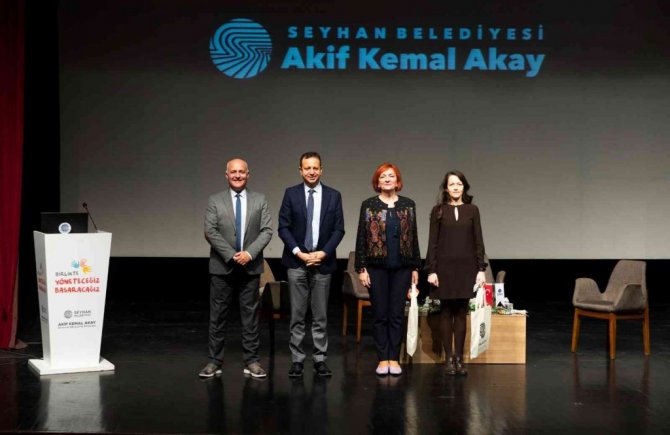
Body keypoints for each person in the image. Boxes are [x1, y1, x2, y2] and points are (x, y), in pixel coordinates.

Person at [199, 158, 273, 379]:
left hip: (251, 267)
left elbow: (267, 230)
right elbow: (210, 231)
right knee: (217, 316)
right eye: (234, 172)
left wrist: (249, 254)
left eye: (242, 172)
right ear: (226, 175)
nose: (238, 175)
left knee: (250, 317)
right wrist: (232, 255)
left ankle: (251, 361)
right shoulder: (215, 200)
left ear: (248, 174)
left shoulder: (260, 200)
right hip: (222, 267)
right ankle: (214, 361)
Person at [278, 152, 345, 377]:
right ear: (300, 170)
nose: (312, 172)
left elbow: (339, 229)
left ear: (321, 170)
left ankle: (319, 359)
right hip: (296, 262)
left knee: (320, 316)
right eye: (307, 168)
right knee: (297, 315)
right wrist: (299, 253)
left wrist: (323, 253)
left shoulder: (334, 196)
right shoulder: (291, 194)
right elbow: (283, 227)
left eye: (315, 168)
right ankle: (297, 360)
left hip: (322, 263)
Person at [355, 163, 421, 376]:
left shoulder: (408, 205)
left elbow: (413, 237)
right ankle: (383, 358)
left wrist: (415, 267)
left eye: (391, 176)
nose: (387, 179)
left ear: (397, 180)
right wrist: (361, 268)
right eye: (383, 176)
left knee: (396, 315)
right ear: (377, 181)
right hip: (376, 268)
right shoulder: (369, 205)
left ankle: (394, 357)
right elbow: (362, 237)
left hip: (402, 268)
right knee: (380, 315)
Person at [425, 170, 487, 376]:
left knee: (461, 312)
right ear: (446, 188)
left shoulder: (472, 210)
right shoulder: (438, 211)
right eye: (452, 184)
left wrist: (481, 269)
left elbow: (478, 240)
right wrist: (431, 270)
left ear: (464, 187)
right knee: (446, 312)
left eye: (459, 184)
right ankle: (449, 358)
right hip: (444, 268)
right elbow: (432, 243)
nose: (456, 187)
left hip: (466, 268)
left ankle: (459, 358)